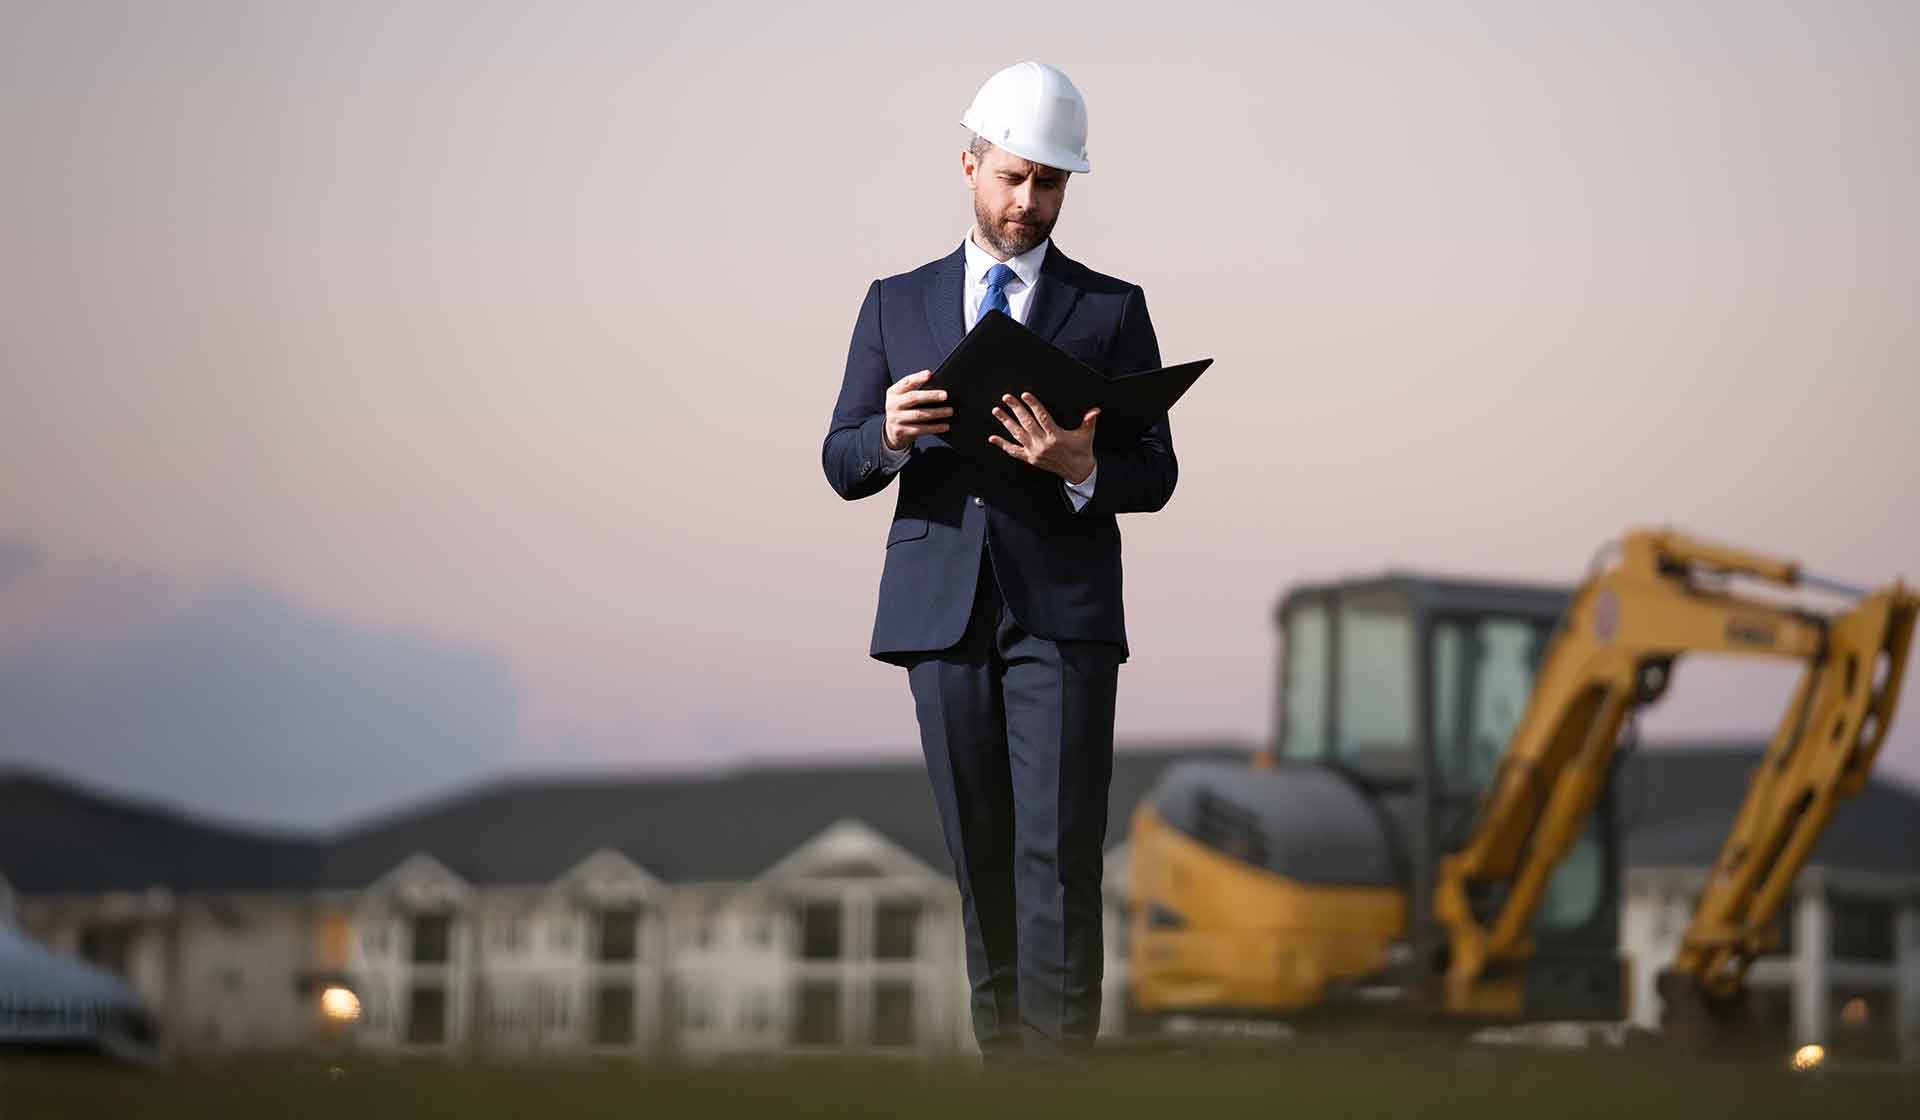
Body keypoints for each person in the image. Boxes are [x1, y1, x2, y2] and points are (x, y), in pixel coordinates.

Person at [821, 60, 1177, 1063]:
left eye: (1051, 185)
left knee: (1056, 854)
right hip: (941, 614)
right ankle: (1007, 1075)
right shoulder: (895, 305)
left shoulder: (1110, 309)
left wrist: (1083, 464)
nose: (1030, 203)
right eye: (1014, 178)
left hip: (1061, 614)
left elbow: (1157, 471)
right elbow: (840, 458)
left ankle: (1062, 1077)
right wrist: (886, 434)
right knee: (981, 860)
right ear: (970, 164)